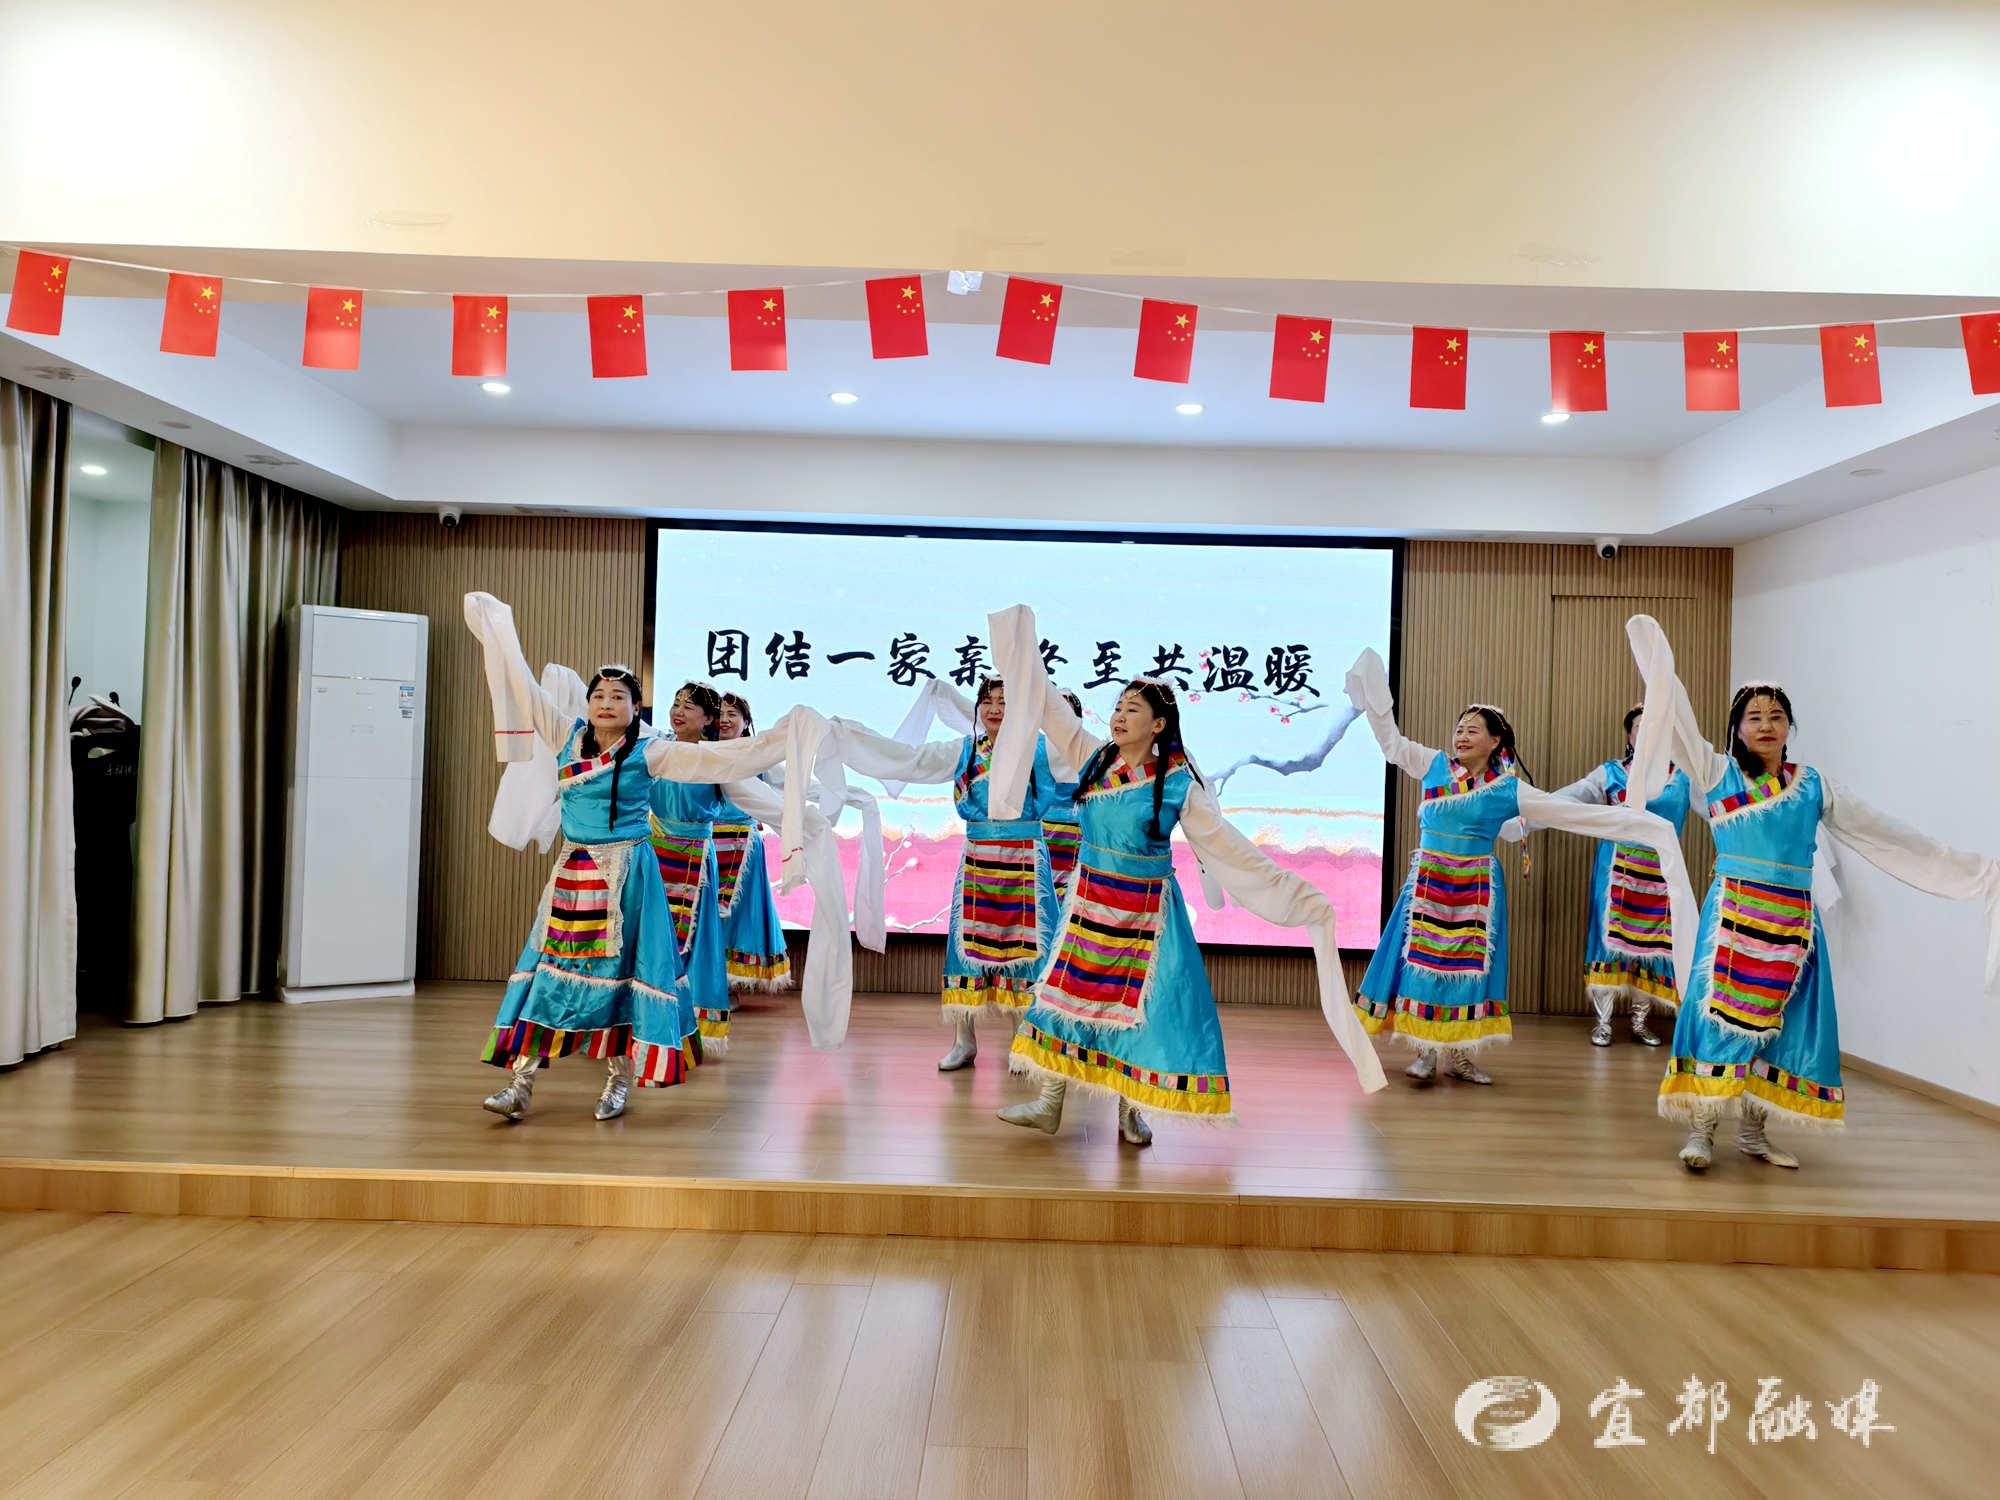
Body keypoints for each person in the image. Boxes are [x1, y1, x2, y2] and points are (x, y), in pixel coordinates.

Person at [979, 605, 1389, 1140]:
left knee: (1143, 1012)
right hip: (1088, 905)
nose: (1119, 716)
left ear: (1158, 724)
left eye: (1132, 709)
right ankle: (1050, 1101)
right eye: (1117, 707)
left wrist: (1296, 894)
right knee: (1063, 996)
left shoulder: (1177, 784)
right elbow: (1049, 705)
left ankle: (1130, 1110)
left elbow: (1227, 849)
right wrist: (1019, 643)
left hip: (1147, 914)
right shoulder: (1093, 758)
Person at [1627, 617, 2000, 1170]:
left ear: (1790, 726)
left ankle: (1754, 1133)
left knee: (1785, 1028)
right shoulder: (1714, 772)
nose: (1766, 725)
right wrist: (1657, 658)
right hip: (1731, 918)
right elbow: (1676, 715)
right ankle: (1702, 1131)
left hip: (1794, 926)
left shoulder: (1812, 784)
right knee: (1715, 1021)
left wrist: (1977, 871)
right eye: (1754, 717)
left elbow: (1886, 833)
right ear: (1737, 728)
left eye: (1777, 716)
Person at [463, 592, 843, 1121]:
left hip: (632, 878)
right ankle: (520, 1082)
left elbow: (724, 758)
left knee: (624, 976)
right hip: (574, 873)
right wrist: (500, 630)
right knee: (550, 967)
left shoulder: (652, 751)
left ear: (633, 708)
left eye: (618, 696)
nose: (606, 703)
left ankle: (618, 1081)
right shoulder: (566, 736)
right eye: (599, 694)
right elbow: (526, 690)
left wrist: (786, 737)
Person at [1343, 647, 1697, 1087]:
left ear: (1495, 741)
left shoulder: (1508, 789)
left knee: (1471, 970)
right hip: (1430, 883)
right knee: (1422, 964)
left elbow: (1568, 813)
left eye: (1473, 730)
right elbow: (1392, 744)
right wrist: (1376, 697)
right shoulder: (1432, 765)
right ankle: (1425, 1052)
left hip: (1475, 888)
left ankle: (1461, 1055)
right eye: (1459, 729)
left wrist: (1635, 822)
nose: (1461, 736)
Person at [821, 676, 1064, 1071]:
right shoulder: (964, 750)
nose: (994, 709)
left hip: (1026, 863)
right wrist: (849, 737)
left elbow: (1089, 756)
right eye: (987, 701)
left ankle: (1025, 1041)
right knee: (965, 953)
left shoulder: (1041, 749)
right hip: (978, 861)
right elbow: (909, 759)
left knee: (1030, 954)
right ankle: (963, 1040)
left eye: (1004, 701)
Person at [1536, 703, 1693, 1046]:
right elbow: (1570, 799)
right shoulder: (1610, 774)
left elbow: (1721, 809)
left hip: (1661, 873)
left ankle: (1640, 1021)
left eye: (1656, 727)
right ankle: (1603, 1021)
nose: (1648, 734)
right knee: (1607, 944)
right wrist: (1531, 810)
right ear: (1629, 735)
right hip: (1615, 874)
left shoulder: (1684, 778)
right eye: (1640, 727)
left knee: (1654, 947)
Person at [648, 681, 735, 1053]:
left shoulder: (715, 758)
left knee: (694, 938)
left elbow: (750, 795)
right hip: (653, 852)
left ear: (708, 719)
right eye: (675, 703)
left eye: (688, 706)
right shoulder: (656, 748)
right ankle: (644, 1018)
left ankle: (686, 1025)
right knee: (649, 934)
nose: (678, 711)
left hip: (695, 858)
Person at [711, 692, 795, 993]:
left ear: (746, 722)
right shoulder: (701, 753)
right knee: (704, 913)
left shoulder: (759, 756)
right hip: (706, 842)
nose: (724, 720)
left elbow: (788, 787)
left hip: (743, 845)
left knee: (740, 915)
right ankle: (705, 980)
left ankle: (730, 984)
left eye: (732, 714)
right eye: (719, 713)